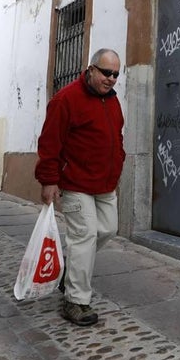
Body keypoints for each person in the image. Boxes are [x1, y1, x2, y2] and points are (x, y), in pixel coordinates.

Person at [35, 47, 126, 327]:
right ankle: (76, 301)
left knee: (108, 229)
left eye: (115, 74)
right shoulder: (66, 99)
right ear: (90, 69)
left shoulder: (112, 101)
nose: (111, 79)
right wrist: (49, 180)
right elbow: (50, 143)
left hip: (105, 184)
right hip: (75, 183)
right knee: (84, 235)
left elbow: (117, 137)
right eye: (106, 72)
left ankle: (72, 268)